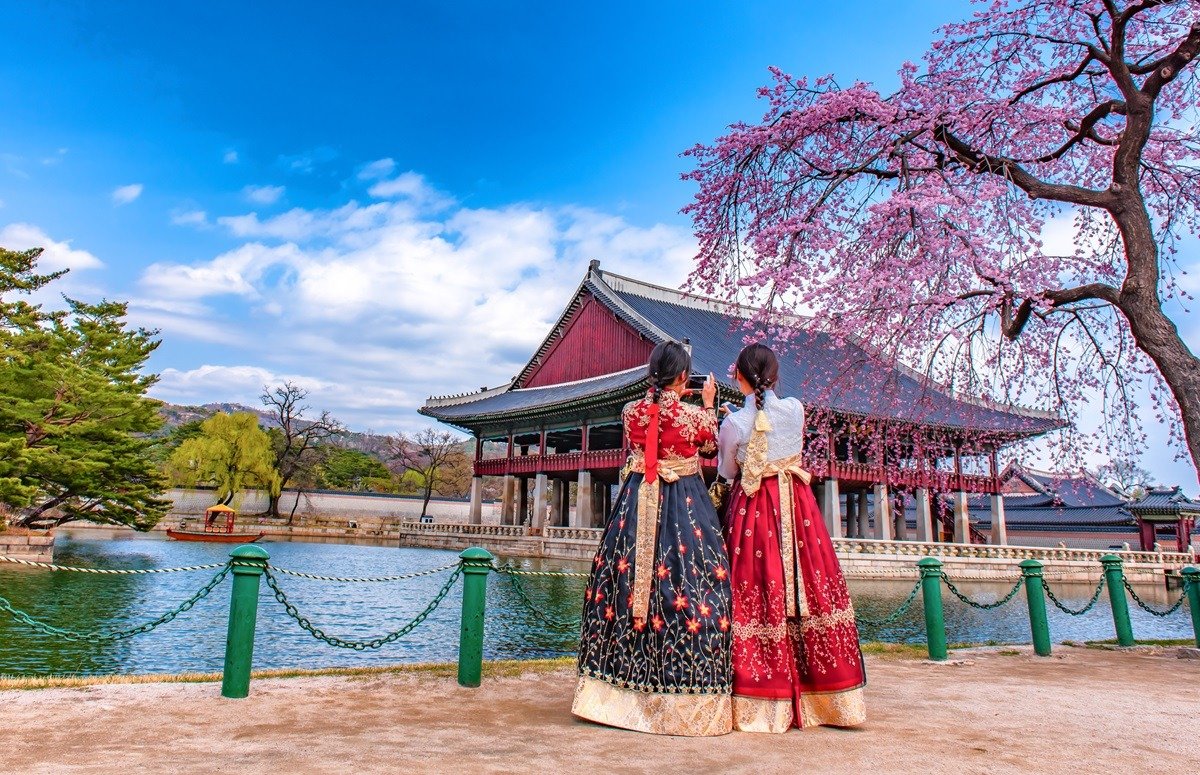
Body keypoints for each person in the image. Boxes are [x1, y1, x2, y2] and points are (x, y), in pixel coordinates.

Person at [573, 341, 734, 736]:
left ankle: (613, 688)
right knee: (690, 580)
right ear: (684, 377)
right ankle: (685, 688)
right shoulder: (694, 416)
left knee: (622, 580)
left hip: (636, 498)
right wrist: (710, 403)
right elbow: (712, 446)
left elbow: (642, 438)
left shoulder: (630, 411)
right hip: (684, 501)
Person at [717, 342, 866, 732]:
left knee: (756, 586)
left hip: (755, 508)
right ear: (776, 375)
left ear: (739, 377)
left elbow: (730, 472)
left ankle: (762, 697)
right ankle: (827, 696)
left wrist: (730, 422)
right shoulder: (797, 408)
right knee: (810, 584)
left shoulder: (733, 424)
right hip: (798, 508)